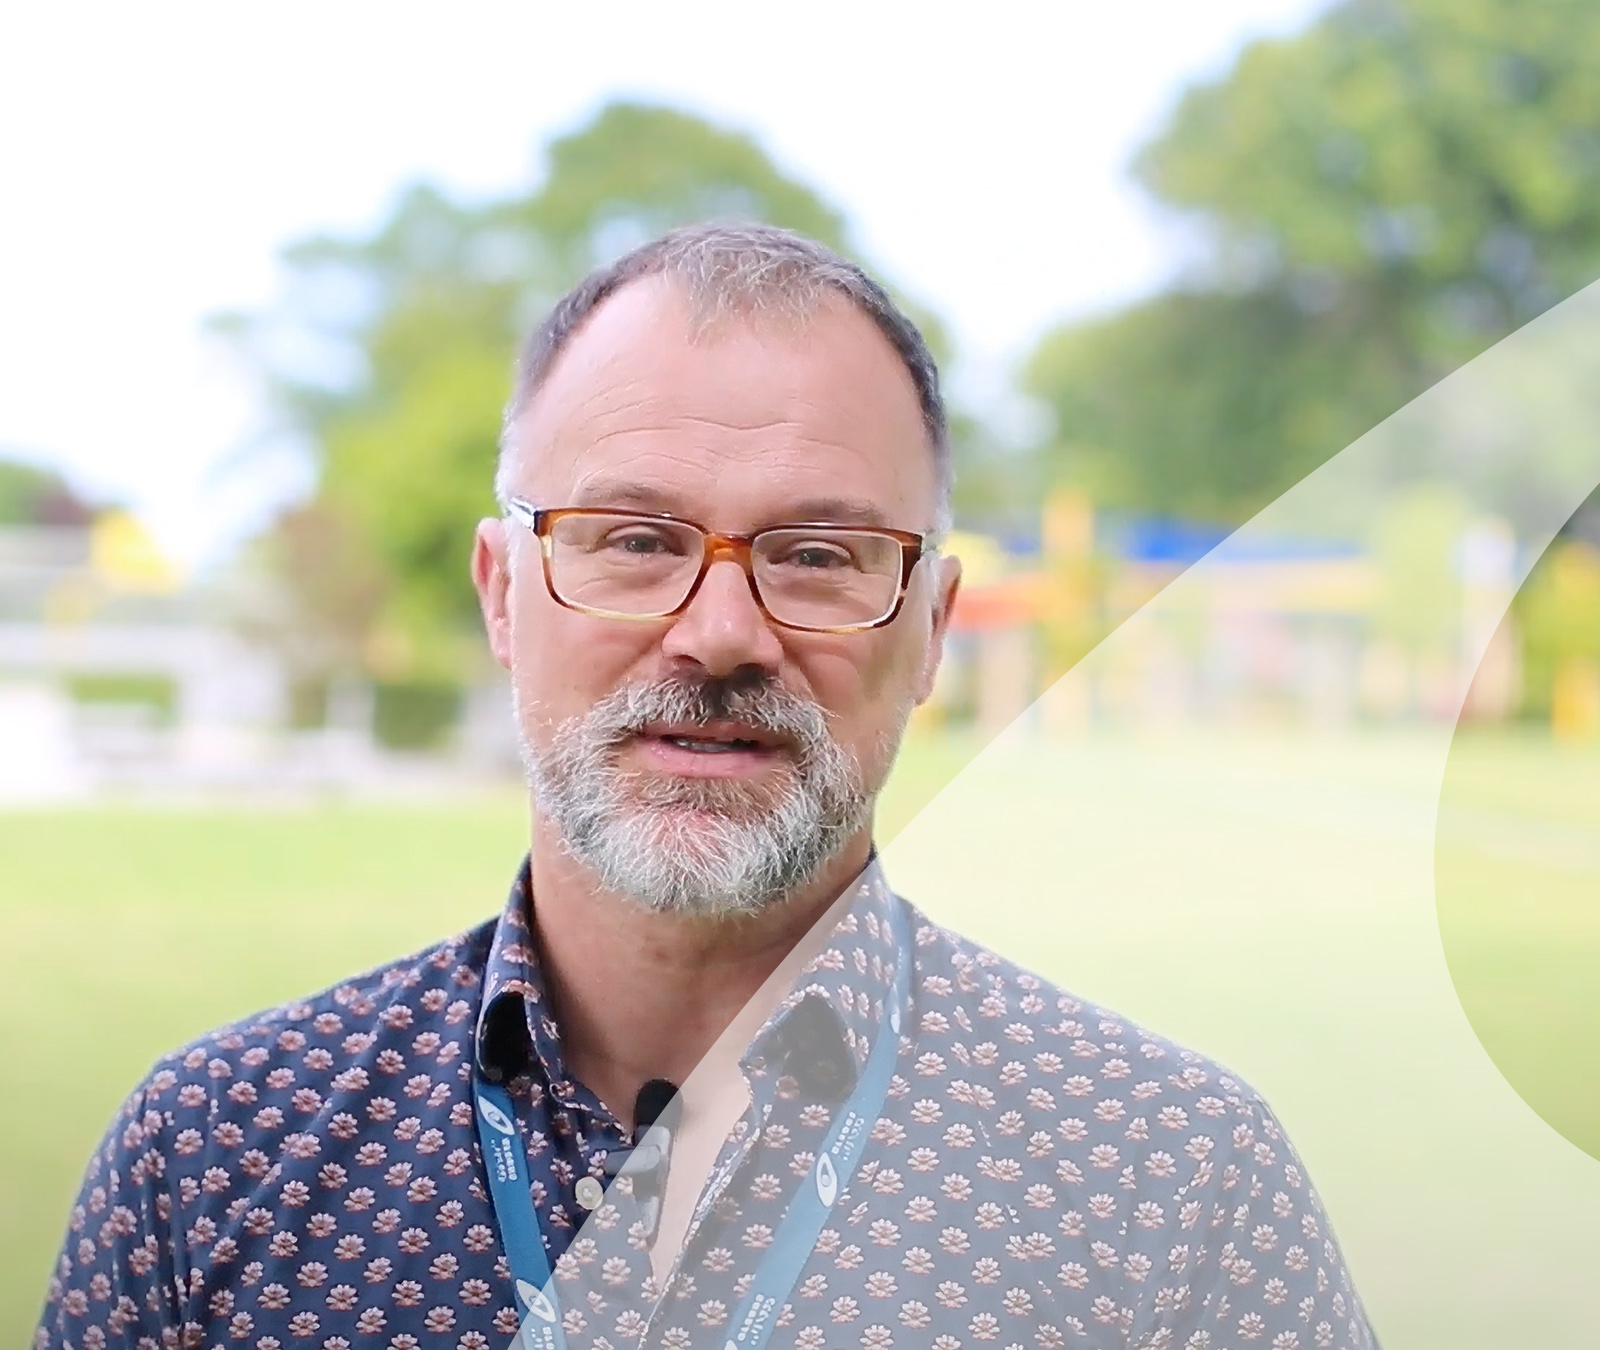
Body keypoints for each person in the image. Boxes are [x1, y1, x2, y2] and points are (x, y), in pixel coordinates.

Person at [38, 223, 1377, 1350]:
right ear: (504, 594)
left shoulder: (1170, 1187)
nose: (720, 630)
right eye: (631, 539)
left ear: (930, 627)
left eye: (815, 554)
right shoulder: (214, 1165)